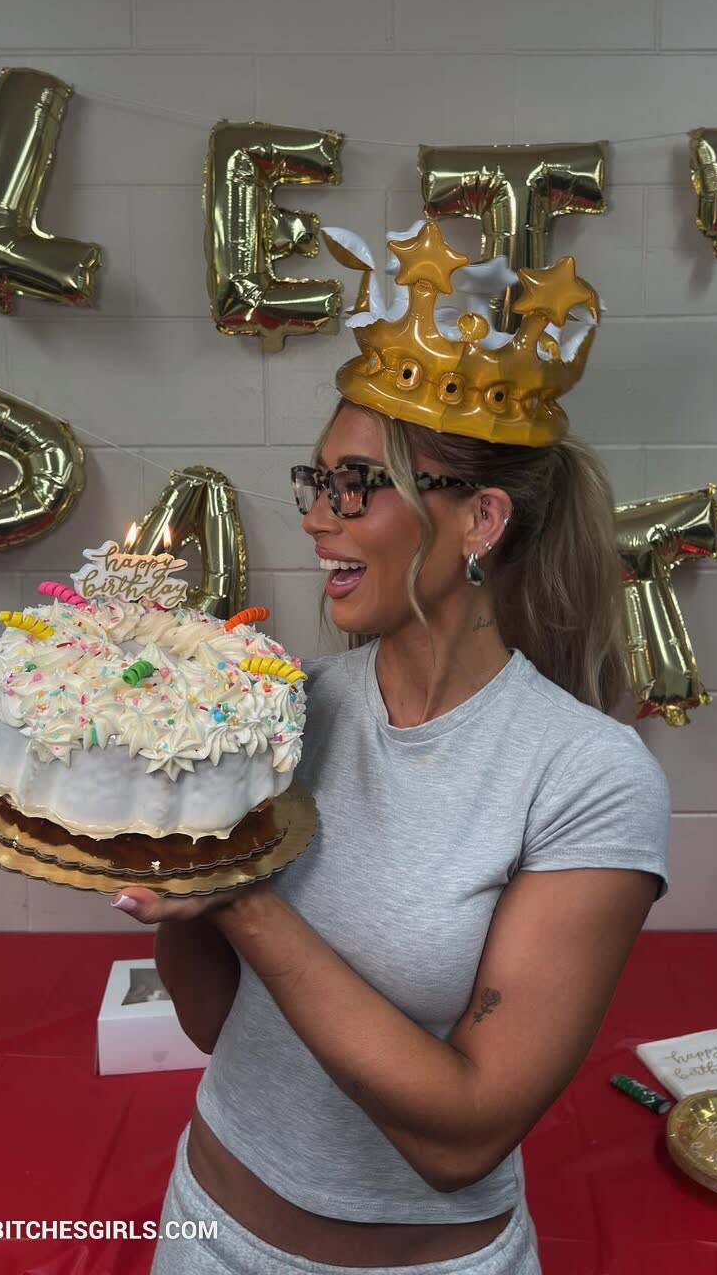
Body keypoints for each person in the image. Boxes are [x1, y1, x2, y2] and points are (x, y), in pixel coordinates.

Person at [112, 222, 671, 1274]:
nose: (318, 519)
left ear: (480, 520)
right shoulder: (292, 709)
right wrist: (181, 864)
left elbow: (463, 1137)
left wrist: (243, 895)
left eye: (357, 485)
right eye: (315, 481)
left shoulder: (587, 778)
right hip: (205, 1231)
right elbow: (216, 1024)